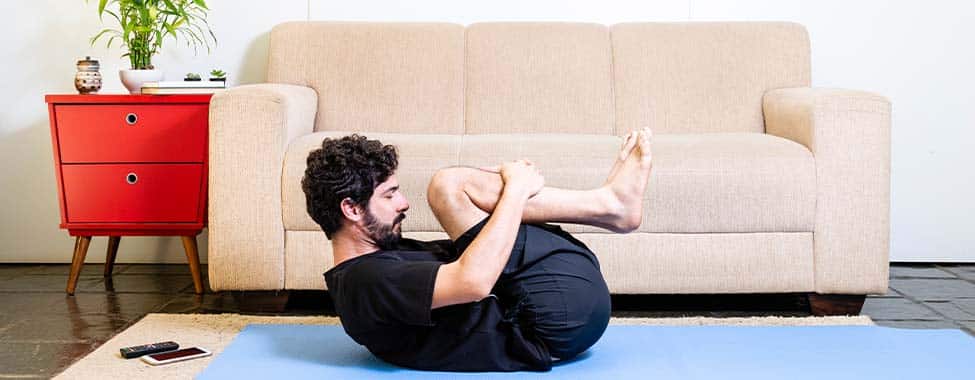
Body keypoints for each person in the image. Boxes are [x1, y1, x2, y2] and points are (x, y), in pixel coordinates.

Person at [301, 128, 654, 372]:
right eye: (390, 194)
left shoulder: (376, 261)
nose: (404, 203)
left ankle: (610, 203)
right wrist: (516, 189)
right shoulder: (365, 281)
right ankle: (610, 204)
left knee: (454, 187)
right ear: (351, 209)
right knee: (448, 186)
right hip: (551, 322)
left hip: (555, 310)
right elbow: (474, 281)